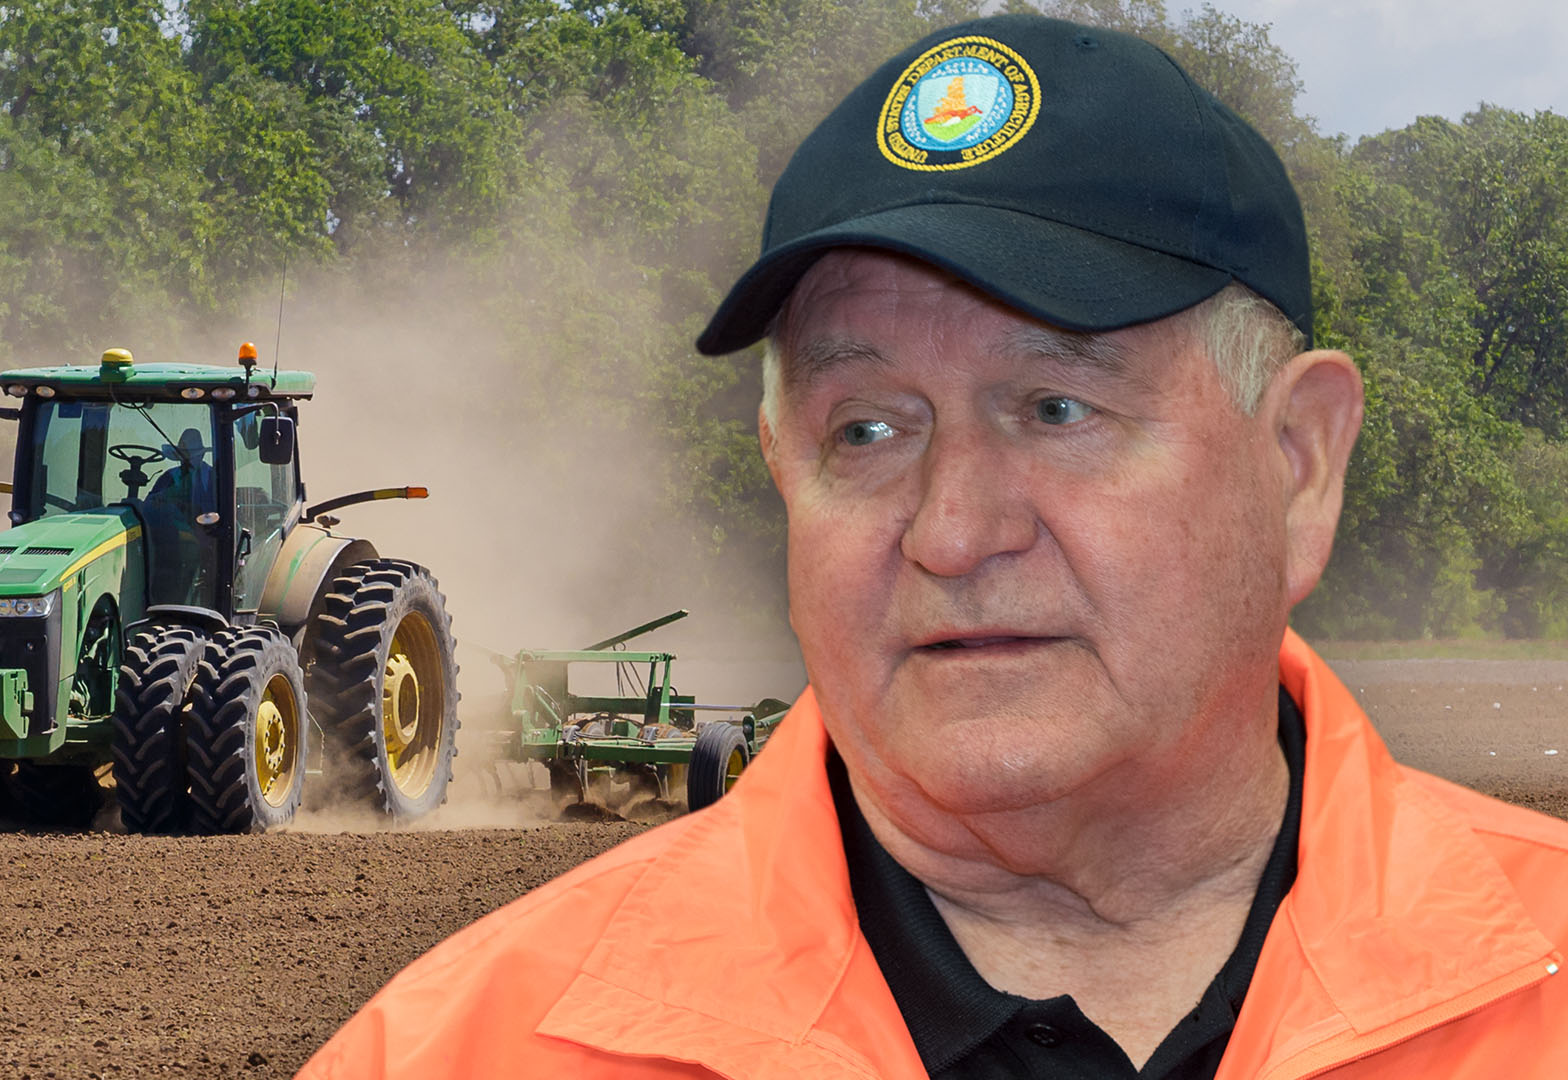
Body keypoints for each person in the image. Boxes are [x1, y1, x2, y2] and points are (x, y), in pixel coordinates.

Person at [299, 13, 1568, 1078]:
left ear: (1298, 466)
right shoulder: (457, 1051)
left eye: (1057, 409)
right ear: (782, 469)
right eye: (866, 430)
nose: (954, 533)